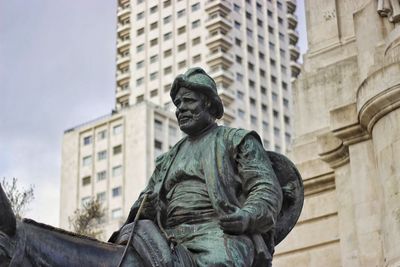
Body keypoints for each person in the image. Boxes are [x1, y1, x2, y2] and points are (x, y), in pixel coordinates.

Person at [109, 67, 283, 267]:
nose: (180, 108)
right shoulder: (166, 160)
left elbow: (266, 188)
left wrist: (247, 216)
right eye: (178, 103)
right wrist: (147, 206)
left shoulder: (237, 140)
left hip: (218, 233)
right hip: (166, 236)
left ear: (209, 104)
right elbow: (145, 200)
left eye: (189, 101)